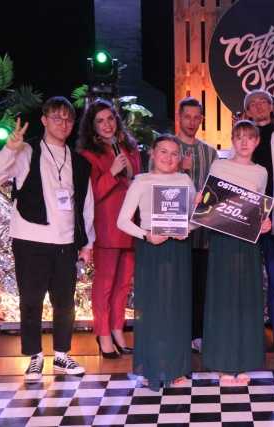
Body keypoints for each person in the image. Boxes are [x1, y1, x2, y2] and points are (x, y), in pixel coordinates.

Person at [0, 96, 94, 381]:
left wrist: (87, 243)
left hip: (66, 243)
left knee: (65, 303)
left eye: (68, 119)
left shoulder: (79, 162)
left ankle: (62, 355)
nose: (63, 124)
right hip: (30, 240)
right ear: (44, 120)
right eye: (57, 118)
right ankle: (35, 357)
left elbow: (86, 207)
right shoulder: (27, 151)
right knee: (31, 301)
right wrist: (9, 149)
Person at [117, 134, 196, 390]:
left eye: (174, 154)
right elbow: (122, 221)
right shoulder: (141, 181)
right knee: (151, 309)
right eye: (163, 151)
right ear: (152, 153)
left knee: (176, 308)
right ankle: (152, 368)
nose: (168, 158)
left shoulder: (185, 180)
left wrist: (188, 228)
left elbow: (197, 217)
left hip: (178, 249)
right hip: (151, 248)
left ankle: (176, 368)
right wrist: (146, 235)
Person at [201, 120, 272, 384]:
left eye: (249, 138)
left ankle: (243, 362)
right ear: (232, 139)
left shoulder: (261, 172)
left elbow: (259, 207)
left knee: (246, 298)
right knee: (222, 298)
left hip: (248, 243)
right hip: (222, 239)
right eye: (239, 137)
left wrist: (265, 223)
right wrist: (200, 200)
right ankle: (222, 363)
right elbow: (209, 200)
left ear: (257, 142)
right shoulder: (219, 166)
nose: (244, 142)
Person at [77, 99, 141, 359]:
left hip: (132, 225)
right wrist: (112, 171)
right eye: (100, 120)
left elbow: (138, 182)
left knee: (123, 285)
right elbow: (89, 194)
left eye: (110, 118)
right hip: (106, 226)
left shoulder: (129, 147)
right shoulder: (88, 155)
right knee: (104, 285)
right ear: (92, 126)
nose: (107, 124)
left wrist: (130, 174)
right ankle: (103, 334)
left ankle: (117, 330)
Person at [237, 89, 274, 352]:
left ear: (272, 107)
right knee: (247, 276)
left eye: (264, 102)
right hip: (247, 216)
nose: (259, 106)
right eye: (253, 104)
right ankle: (248, 331)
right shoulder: (241, 139)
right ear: (247, 112)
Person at [175, 97, 218, 353]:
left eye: (196, 117)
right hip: (172, 233)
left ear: (201, 120)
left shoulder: (210, 152)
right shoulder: (167, 147)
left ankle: (198, 335)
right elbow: (152, 181)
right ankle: (177, 334)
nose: (191, 122)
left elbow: (217, 189)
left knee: (200, 286)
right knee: (177, 286)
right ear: (179, 117)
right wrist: (178, 166)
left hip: (203, 235)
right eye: (187, 116)